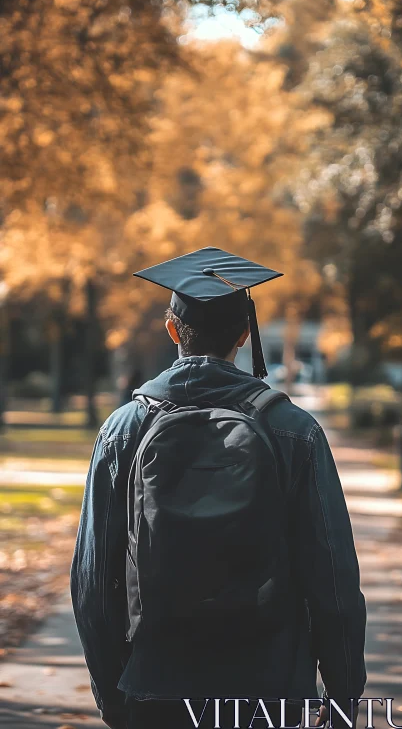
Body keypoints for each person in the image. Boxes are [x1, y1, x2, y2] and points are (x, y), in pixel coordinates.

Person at [70, 247, 366, 729]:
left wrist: (115, 695)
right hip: (271, 690)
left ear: (172, 330)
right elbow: (332, 580)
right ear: (246, 333)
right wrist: (343, 695)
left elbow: (92, 582)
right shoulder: (293, 430)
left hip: (155, 685)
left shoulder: (124, 430)